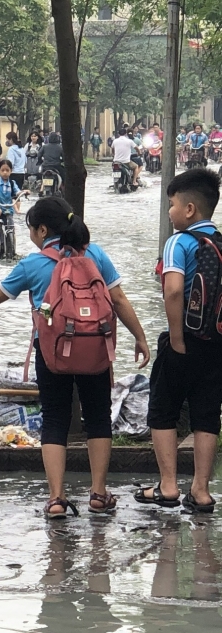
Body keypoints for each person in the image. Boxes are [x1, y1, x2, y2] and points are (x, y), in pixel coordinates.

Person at [0, 197, 150, 518]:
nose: (31, 236)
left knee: (55, 418)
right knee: (97, 416)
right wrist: (139, 337)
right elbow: (119, 299)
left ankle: (56, 498)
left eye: (30, 229)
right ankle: (98, 493)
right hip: (94, 348)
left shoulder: (34, 263)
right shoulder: (94, 254)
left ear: (42, 229)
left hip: (52, 351)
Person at [137, 168, 222, 513]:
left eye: (171, 205)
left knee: (163, 410)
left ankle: (168, 486)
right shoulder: (220, 242)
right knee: (206, 415)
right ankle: (200, 491)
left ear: (189, 210)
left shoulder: (179, 242)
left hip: (182, 339)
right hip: (216, 345)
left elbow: (173, 289)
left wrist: (175, 338)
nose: (169, 212)